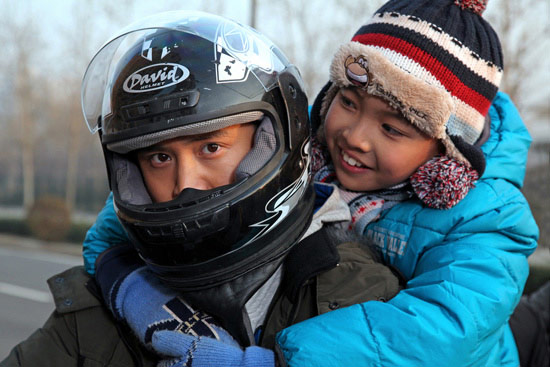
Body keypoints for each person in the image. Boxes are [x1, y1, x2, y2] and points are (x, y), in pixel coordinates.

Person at [77, 0, 542, 366]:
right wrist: (132, 289)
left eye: (393, 129)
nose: (354, 137)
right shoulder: (302, 156)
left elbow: (441, 333)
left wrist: (275, 361)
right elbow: (137, 217)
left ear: (447, 151)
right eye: (349, 102)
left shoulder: (487, 218)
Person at [1, 10, 401, 367]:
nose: (184, 184)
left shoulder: (361, 302)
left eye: (211, 147)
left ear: (274, 143)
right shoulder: (94, 312)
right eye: (159, 158)